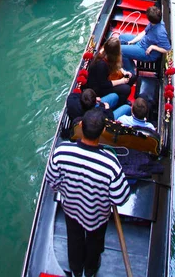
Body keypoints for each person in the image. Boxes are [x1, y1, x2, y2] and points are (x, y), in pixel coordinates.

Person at [46, 109, 131, 277]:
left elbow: (52, 182)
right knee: (95, 243)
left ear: (81, 126)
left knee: (74, 239)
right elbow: (121, 197)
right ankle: (90, 269)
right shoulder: (110, 164)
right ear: (103, 132)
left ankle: (76, 269)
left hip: (70, 209)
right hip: (97, 216)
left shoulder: (61, 152)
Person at [119, 6, 171, 73]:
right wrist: (132, 41)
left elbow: (167, 49)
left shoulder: (160, 33)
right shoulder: (154, 23)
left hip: (146, 52)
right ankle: (128, 58)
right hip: (142, 41)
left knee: (120, 50)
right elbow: (144, 32)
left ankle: (130, 72)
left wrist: (153, 47)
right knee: (122, 37)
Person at [86, 36, 132, 105]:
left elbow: (114, 64)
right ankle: (120, 103)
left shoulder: (107, 52)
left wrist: (124, 72)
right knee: (126, 89)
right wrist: (121, 81)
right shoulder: (101, 64)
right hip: (99, 88)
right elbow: (104, 84)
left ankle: (122, 97)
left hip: (106, 78)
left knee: (132, 77)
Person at [66, 88, 131, 122]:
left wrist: (94, 99)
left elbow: (78, 96)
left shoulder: (71, 99)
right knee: (127, 108)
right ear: (95, 104)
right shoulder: (97, 113)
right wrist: (107, 109)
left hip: (85, 110)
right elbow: (109, 119)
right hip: (102, 118)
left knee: (114, 96)